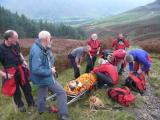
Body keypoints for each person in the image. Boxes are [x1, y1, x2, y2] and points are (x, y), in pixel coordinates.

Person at [29, 31, 71, 120]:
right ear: (46, 39)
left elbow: (45, 58)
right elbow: (36, 69)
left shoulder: (41, 46)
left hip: (42, 77)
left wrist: (48, 49)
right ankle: (63, 115)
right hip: (45, 77)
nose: (51, 39)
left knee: (42, 91)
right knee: (61, 92)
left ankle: (41, 109)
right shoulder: (37, 51)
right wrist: (50, 71)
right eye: (50, 37)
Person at [0, 30, 35, 112]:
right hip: (10, 73)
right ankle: (20, 105)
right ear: (9, 39)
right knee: (15, 91)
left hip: (20, 69)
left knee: (27, 87)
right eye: (16, 38)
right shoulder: (1, 49)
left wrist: (23, 61)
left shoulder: (15, 44)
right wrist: (4, 74)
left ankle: (31, 103)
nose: (18, 40)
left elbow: (19, 53)